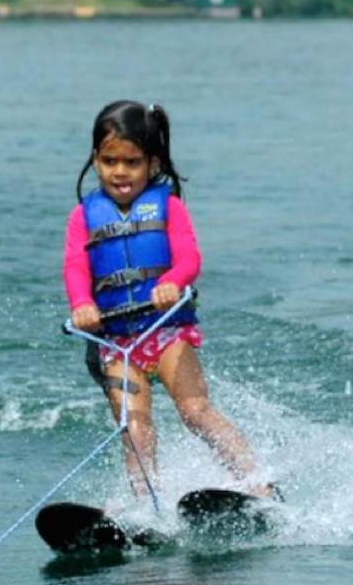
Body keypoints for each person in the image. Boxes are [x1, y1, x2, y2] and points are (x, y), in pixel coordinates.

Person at [63, 100, 277, 501]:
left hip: (166, 332)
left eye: (132, 162)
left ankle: (259, 484)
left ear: (153, 164)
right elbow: (76, 266)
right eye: (110, 161)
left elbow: (190, 258)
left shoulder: (170, 207)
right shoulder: (83, 217)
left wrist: (173, 281)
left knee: (195, 411)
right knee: (136, 428)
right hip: (115, 342)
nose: (120, 172)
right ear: (95, 160)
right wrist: (81, 303)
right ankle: (149, 506)